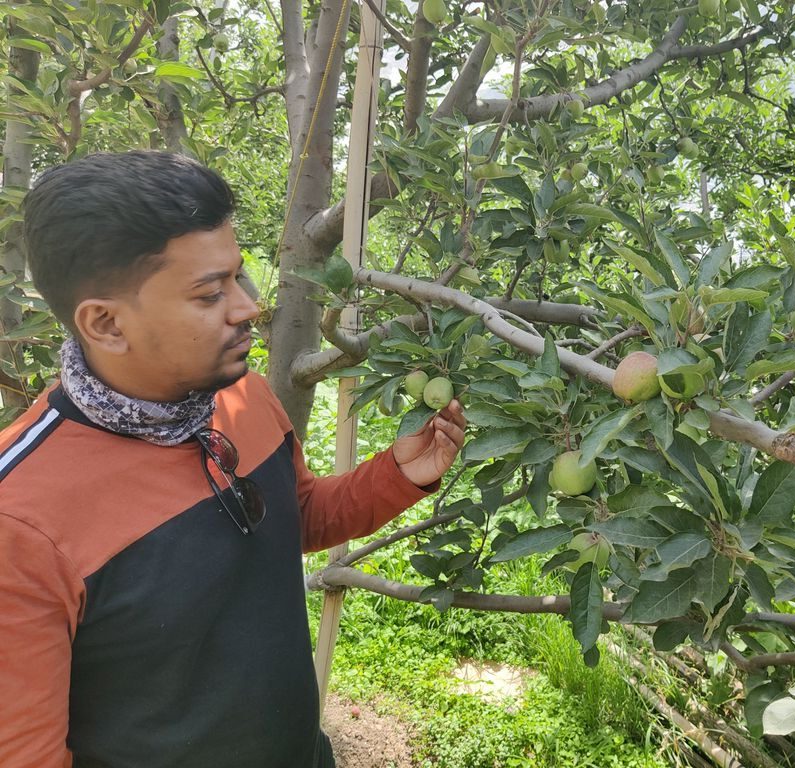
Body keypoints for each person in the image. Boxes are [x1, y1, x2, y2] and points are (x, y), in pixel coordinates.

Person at [0, 151, 466, 768]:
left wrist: (397, 477)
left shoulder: (238, 395)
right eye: (208, 293)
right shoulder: (21, 520)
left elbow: (292, 518)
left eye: (238, 278)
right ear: (107, 323)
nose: (247, 307)